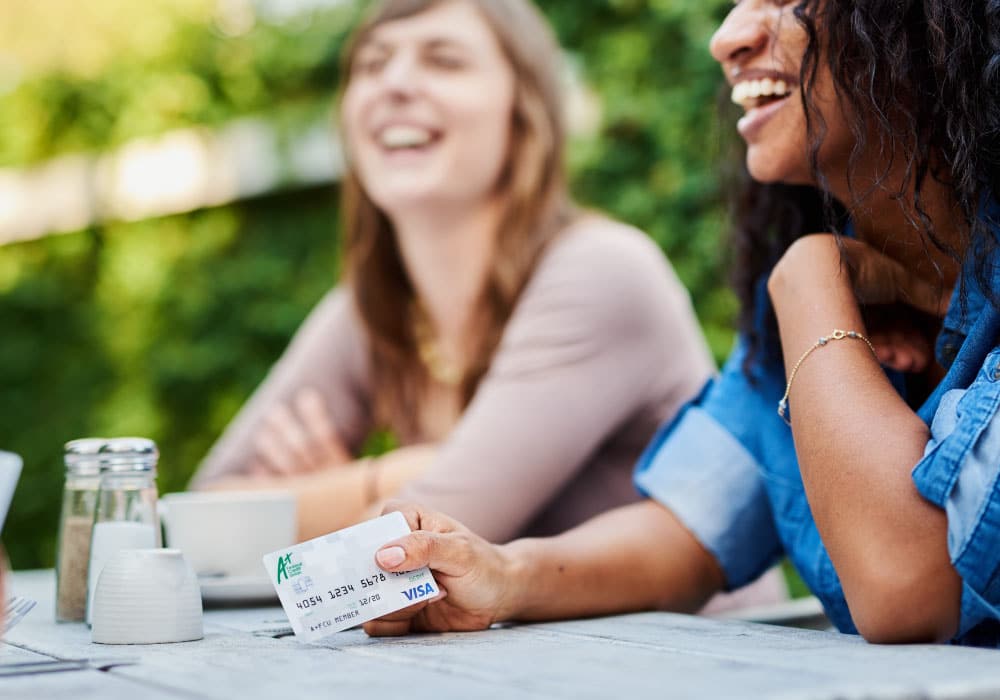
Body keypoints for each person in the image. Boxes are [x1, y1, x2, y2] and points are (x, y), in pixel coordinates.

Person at [362, 0, 1000, 647]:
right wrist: (500, 574)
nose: (728, 38)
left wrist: (810, 274)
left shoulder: (805, 285)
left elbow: (909, 587)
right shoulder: (823, 310)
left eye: (787, 2)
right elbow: (688, 531)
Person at [191, 0, 786, 611]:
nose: (394, 83)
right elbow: (200, 523)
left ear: (523, 111)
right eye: (371, 65)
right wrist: (392, 479)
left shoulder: (600, 273)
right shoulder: (368, 309)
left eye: (444, 60)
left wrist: (328, 493)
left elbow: (387, 560)